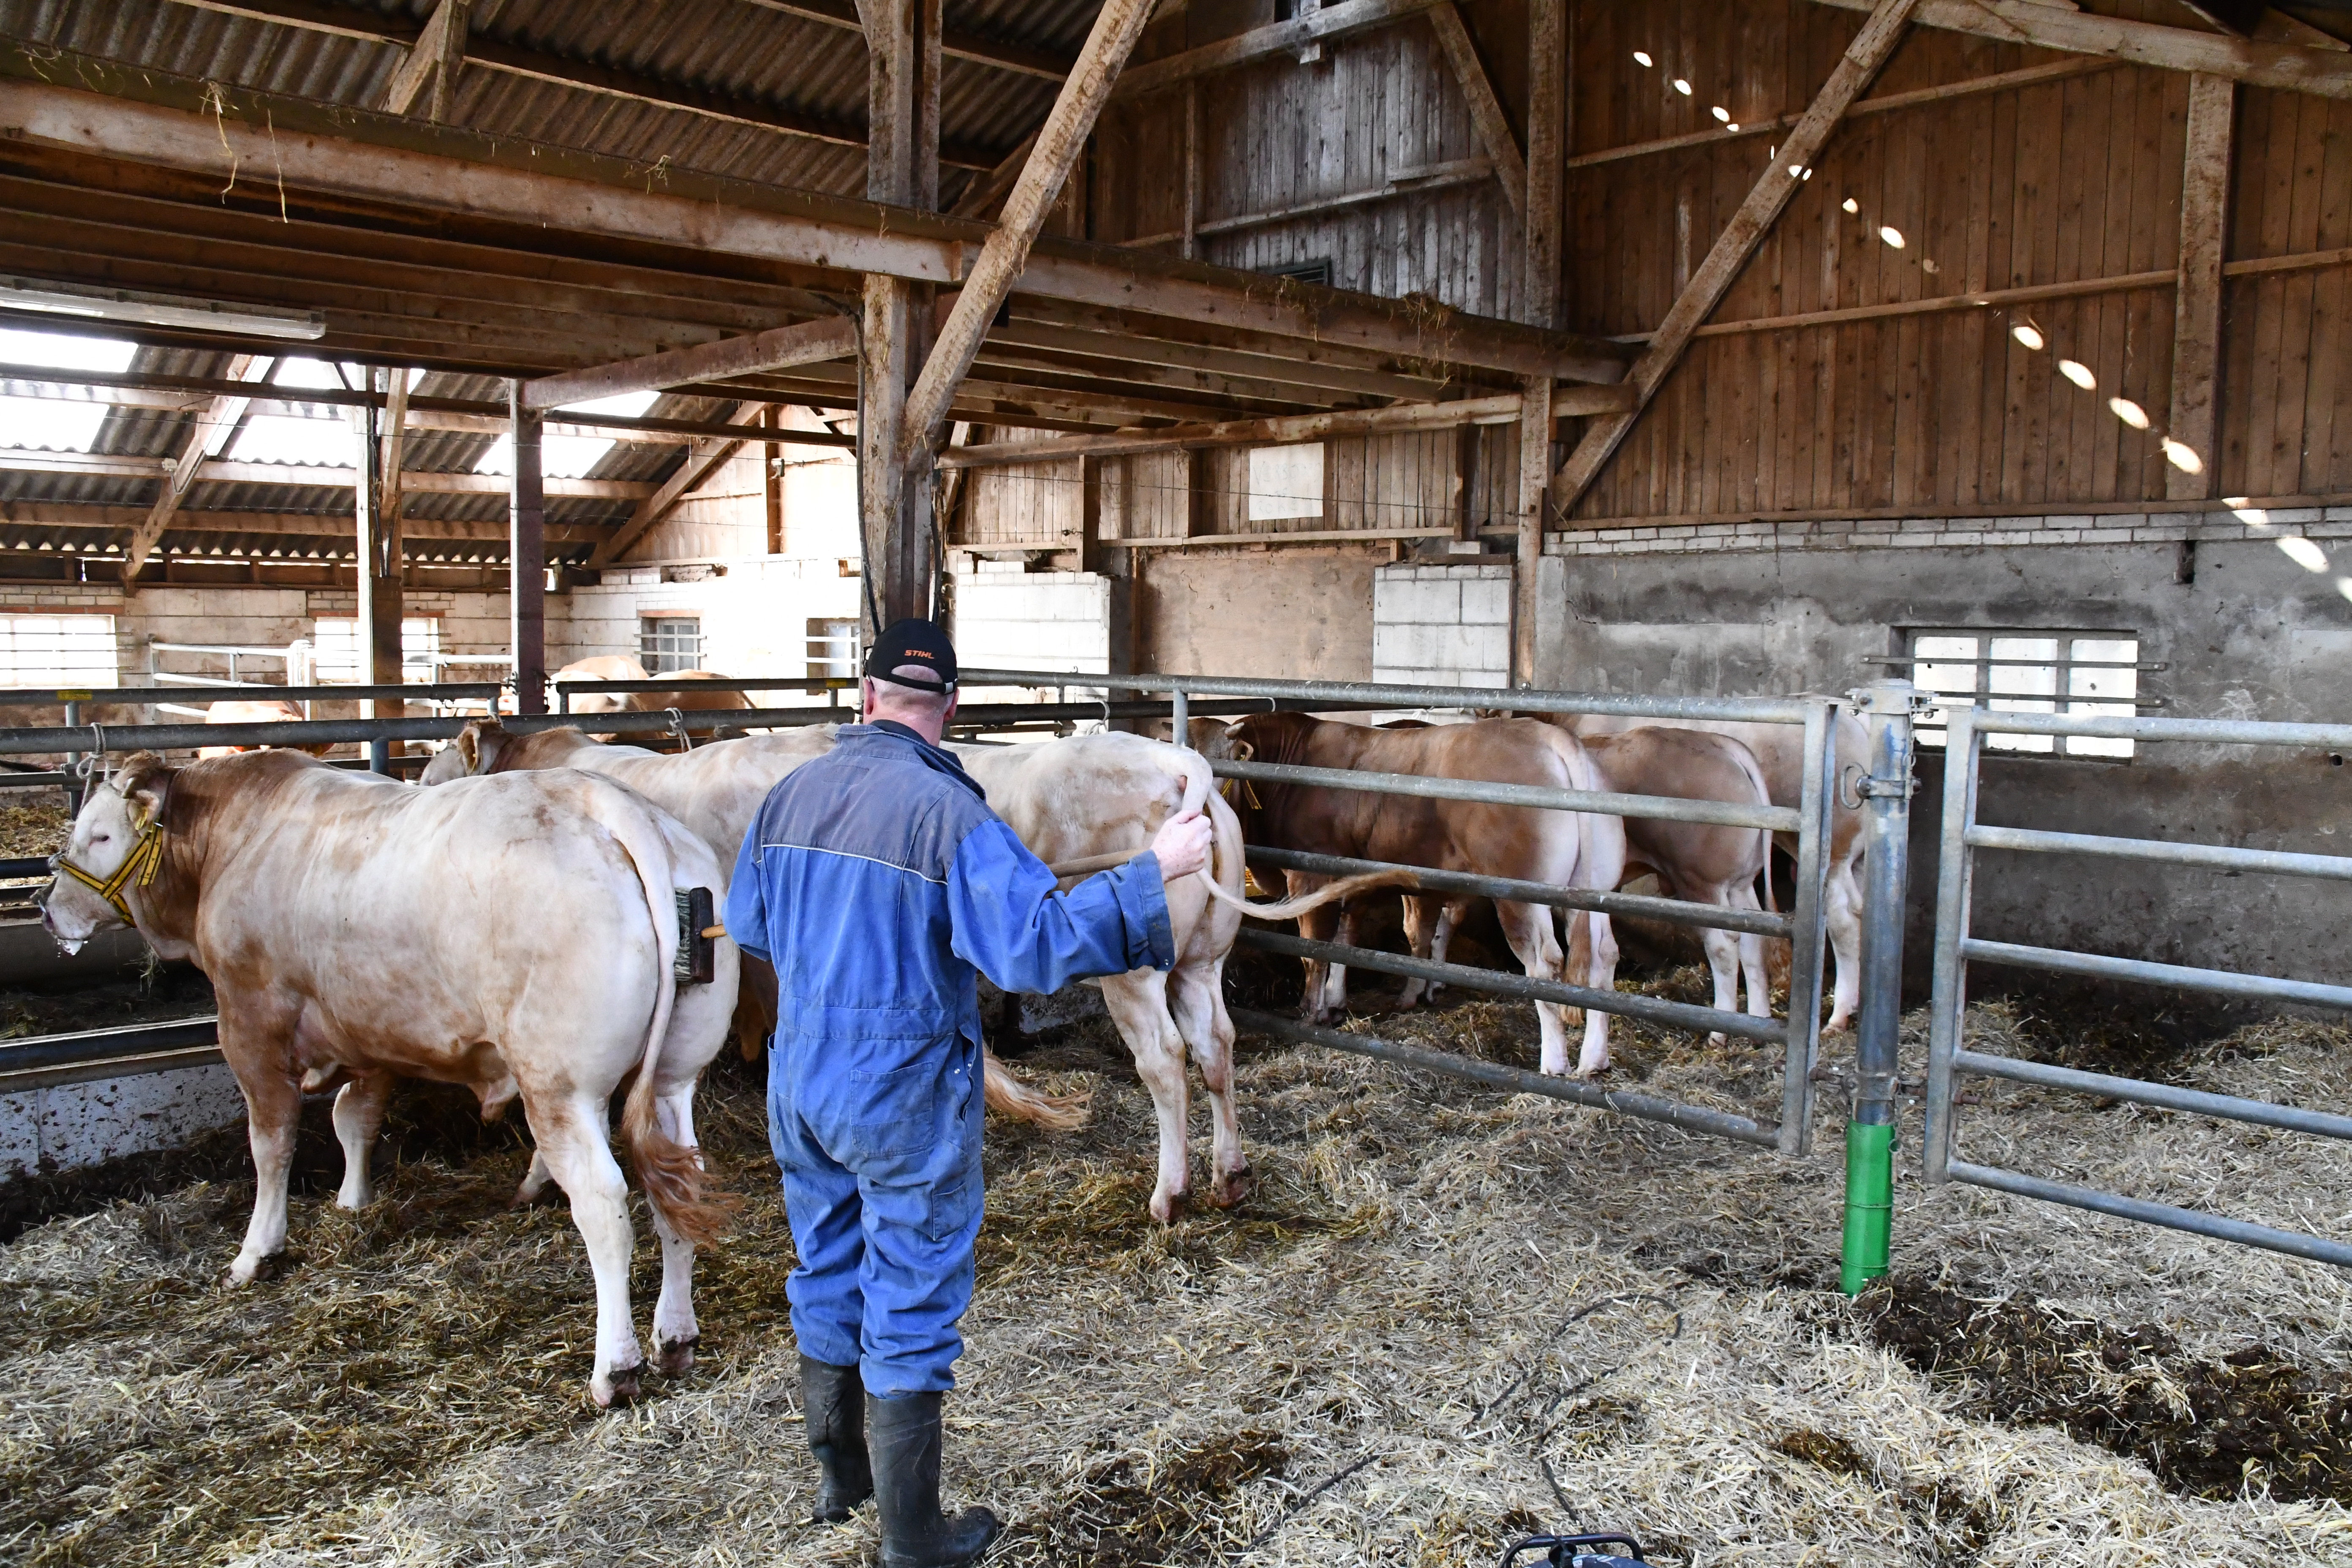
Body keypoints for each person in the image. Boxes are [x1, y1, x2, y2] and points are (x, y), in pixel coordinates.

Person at [725, 618, 1212, 1568]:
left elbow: (751, 926)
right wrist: (1152, 873)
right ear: (946, 709)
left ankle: (841, 1478)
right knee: (910, 1288)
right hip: (901, 1081)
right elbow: (1032, 947)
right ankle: (913, 1538)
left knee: (826, 1260)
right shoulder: (950, 815)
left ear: (865, 699)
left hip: (802, 1073)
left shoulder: (789, 796)